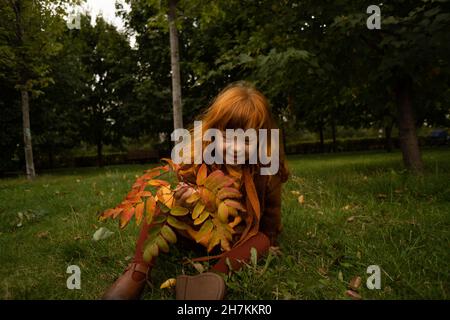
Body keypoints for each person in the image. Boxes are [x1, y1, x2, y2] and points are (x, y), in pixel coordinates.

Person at [102, 82, 289, 300]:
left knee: (262, 240)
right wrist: (190, 197)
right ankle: (138, 270)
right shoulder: (198, 159)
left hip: (234, 239)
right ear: (213, 133)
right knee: (162, 200)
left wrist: (270, 240)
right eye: (228, 138)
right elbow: (185, 192)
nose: (236, 149)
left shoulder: (266, 169)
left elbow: (271, 213)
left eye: (247, 140)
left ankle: (211, 279)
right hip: (195, 231)